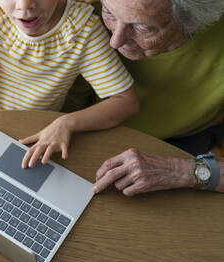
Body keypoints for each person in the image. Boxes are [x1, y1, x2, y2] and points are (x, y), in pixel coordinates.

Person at [0, 0, 139, 188]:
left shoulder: (82, 29)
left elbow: (125, 101)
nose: (24, 6)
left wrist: (67, 123)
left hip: (33, 142)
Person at [72, 0, 224, 195]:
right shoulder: (79, 10)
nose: (115, 41)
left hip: (178, 143)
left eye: (142, 27)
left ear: (192, 20)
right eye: (109, 13)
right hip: (86, 127)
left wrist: (181, 171)